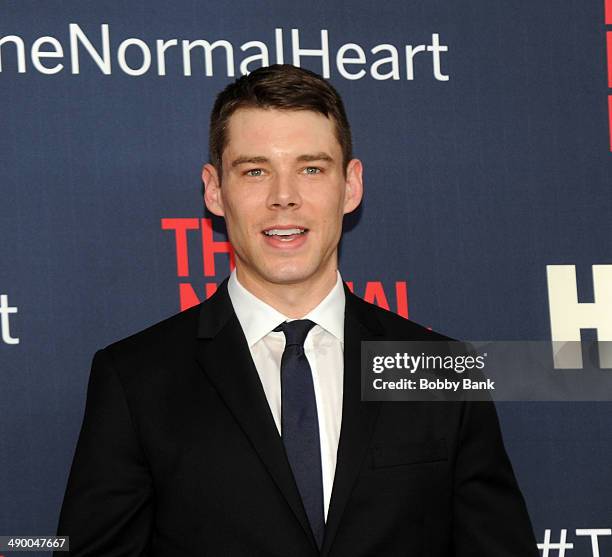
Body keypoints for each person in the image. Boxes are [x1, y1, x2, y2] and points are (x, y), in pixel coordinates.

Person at [55, 64, 539, 556]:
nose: (283, 198)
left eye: (311, 169)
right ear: (214, 190)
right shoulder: (137, 379)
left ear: (350, 185)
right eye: (255, 171)